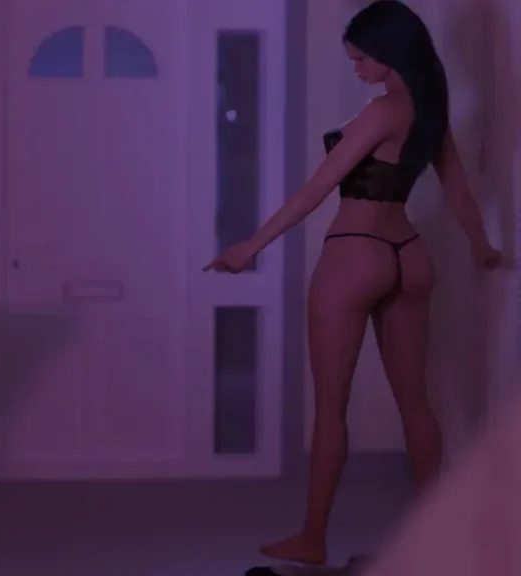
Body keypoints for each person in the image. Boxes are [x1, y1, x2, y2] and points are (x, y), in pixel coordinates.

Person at [204, 0, 502, 566]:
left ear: (389, 51)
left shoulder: (381, 111)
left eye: (361, 58)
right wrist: (482, 247)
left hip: (355, 255)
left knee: (330, 410)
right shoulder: (430, 111)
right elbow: (461, 194)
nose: (357, 68)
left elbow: (316, 189)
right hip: (410, 257)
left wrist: (251, 246)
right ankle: (441, 540)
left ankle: (312, 538)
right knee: (417, 405)